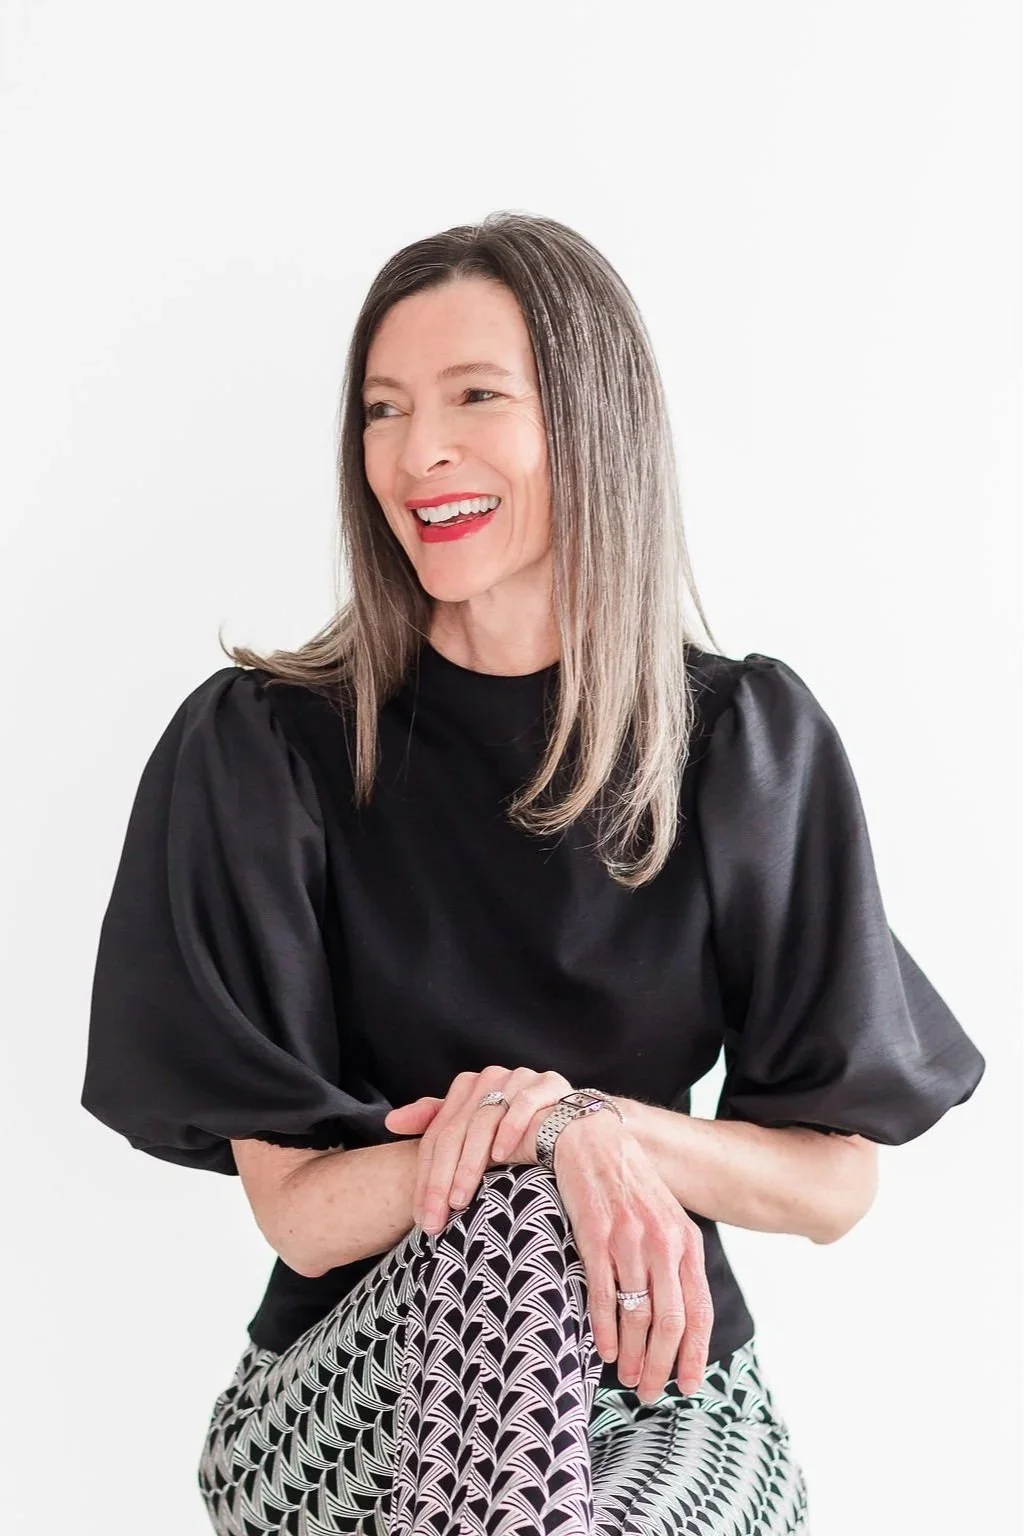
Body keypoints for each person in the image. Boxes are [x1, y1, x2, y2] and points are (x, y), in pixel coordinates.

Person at [80, 211, 985, 1536]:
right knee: (512, 1247)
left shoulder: (739, 744)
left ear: (592, 423)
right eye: (383, 410)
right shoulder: (264, 749)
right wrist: (538, 1149)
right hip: (353, 1397)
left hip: (658, 1392)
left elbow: (831, 1183)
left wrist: (596, 1128)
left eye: (474, 398)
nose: (415, 451)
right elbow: (307, 1218)